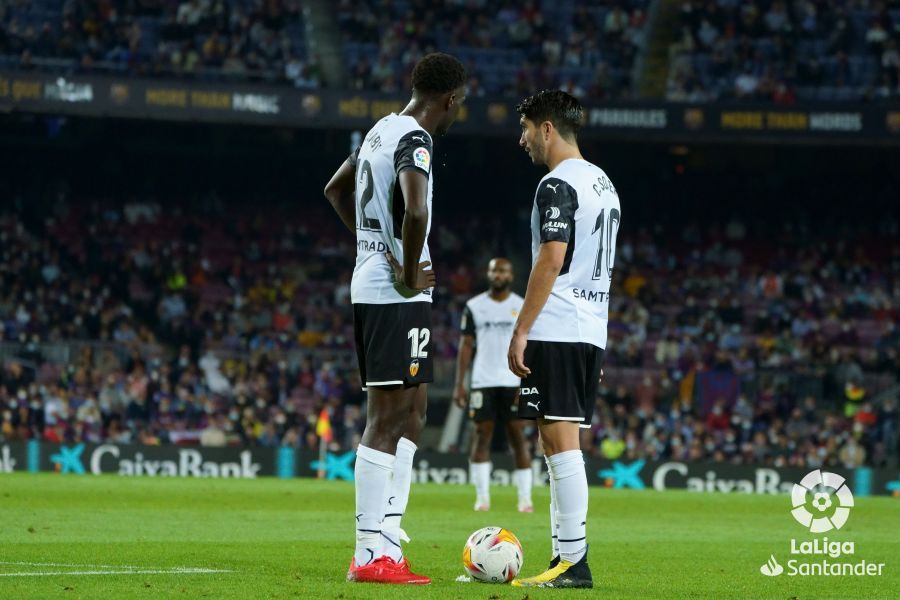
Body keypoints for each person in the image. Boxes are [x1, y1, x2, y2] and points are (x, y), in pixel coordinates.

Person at [323, 52, 467, 585]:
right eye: (460, 104)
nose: (458, 114)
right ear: (449, 99)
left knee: (414, 411)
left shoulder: (379, 130)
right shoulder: (416, 139)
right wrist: (406, 270)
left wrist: (370, 245)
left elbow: (334, 189)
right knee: (385, 419)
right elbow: (417, 209)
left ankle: (387, 533)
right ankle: (366, 554)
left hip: (381, 286)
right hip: (394, 293)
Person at [507, 90, 621, 589]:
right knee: (558, 437)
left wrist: (522, 326)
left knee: (557, 438)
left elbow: (552, 258)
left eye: (527, 128)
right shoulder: (603, 181)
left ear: (548, 128)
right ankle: (565, 557)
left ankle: (573, 561)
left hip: (559, 321)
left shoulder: (556, 184)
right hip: (590, 324)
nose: (523, 139)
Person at [453, 258, 533, 513]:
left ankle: (525, 499)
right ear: (488, 274)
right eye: (494, 270)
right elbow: (465, 345)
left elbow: (530, 344)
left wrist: (527, 381)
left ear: (511, 275)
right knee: (481, 436)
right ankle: (482, 498)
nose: (498, 275)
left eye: (503, 271)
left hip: (513, 379)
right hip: (482, 380)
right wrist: (459, 384)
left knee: (518, 437)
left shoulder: (522, 305)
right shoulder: (474, 306)